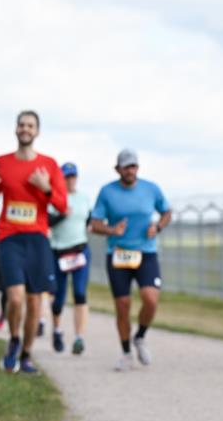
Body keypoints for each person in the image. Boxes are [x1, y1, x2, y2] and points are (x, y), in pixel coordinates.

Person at [0, 110, 66, 374]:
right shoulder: (2, 162)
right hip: (10, 237)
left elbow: (62, 205)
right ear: (16, 129)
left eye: (30, 125)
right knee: (15, 299)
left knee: (35, 302)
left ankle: (26, 355)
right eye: (22, 125)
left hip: (37, 238)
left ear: (37, 132)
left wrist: (46, 187)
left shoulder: (48, 165)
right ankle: (14, 340)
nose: (25, 129)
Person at [90, 148, 171, 371]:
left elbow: (167, 211)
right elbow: (95, 224)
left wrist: (158, 226)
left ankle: (140, 336)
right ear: (118, 169)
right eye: (126, 167)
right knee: (123, 305)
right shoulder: (107, 192)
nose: (130, 170)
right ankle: (126, 353)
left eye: (133, 166)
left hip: (146, 252)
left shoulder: (151, 189)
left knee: (151, 299)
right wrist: (112, 230)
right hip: (118, 254)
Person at [48, 162, 93, 355]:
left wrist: (89, 226)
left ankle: (79, 338)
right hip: (59, 252)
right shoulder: (54, 199)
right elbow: (47, 221)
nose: (70, 180)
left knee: (80, 294)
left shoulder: (83, 198)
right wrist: (62, 216)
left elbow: (89, 219)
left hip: (80, 251)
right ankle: (57, 330)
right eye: (66, 177)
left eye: (73, 176)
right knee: (58, 299)